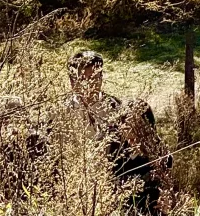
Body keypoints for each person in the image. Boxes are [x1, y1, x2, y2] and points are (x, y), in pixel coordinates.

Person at [66, 51, 171, 215]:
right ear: (73, 81)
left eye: (97, 77)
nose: (93, 84)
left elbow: (153, 154)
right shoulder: (61, 114)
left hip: (115, 189)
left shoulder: (117, 109)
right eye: (86, 79)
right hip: (74, 187)